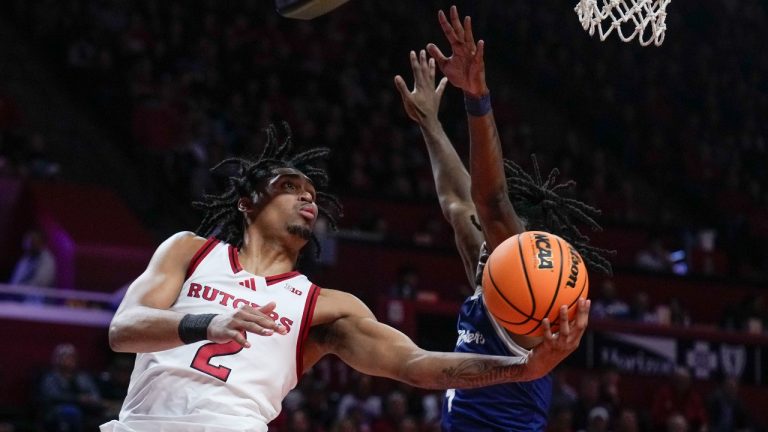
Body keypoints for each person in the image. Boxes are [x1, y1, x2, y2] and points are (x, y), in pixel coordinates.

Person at [101, 122, 590, 432]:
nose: (307, 198)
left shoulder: (327, 307)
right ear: (246, 201)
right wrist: (207, 323)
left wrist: (520, 370)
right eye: (289, 187)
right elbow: (123, 332)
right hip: (138, 423)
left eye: (312, 193)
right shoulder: (189, 250)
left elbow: (415, 364)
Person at [394, 6, 611, 431]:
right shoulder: (494, 282)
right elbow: (460, 206)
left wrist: (477, 97)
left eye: (496, 241)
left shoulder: (533, 303)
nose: (485, 245)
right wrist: (430, 124)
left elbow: (490, 203)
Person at [39, 343, 104, 432]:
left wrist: (91, 399)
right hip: (57, 409)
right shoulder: (51, 378)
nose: (68, 360)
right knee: (71, 412)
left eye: (71, 357)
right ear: (57, 359)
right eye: (64, 357)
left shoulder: (83, 377)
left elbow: (95, 395)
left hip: (86, 409)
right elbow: (52, 396)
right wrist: (77, 399)